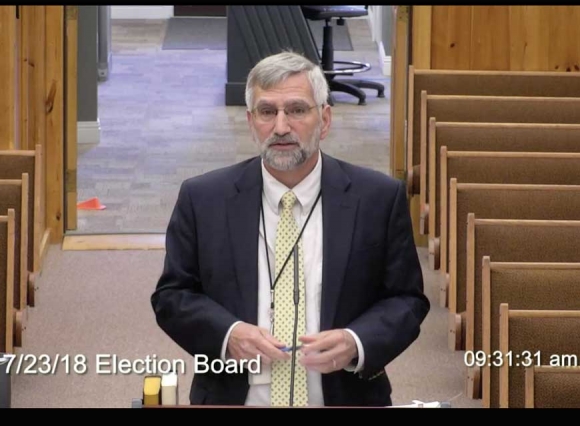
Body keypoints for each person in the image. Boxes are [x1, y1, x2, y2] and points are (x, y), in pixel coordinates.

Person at [150, 51, 430, 407]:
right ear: (251, 122)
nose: (281, 127)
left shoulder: (377, 198)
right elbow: (172, 297)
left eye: (297, 110)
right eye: (267, 112)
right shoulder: (203, 198)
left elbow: (407, 300)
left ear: (324, 120)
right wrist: (228, 334)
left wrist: (356, 341)